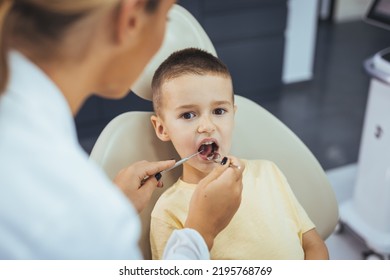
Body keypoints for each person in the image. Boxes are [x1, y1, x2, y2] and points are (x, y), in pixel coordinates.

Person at [0, 0, 244, 259]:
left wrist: (111, 207)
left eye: (219, 111)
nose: (206, 125)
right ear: (131, 20)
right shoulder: (64, 204)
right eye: (166, 18)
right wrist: (200, 233)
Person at [149, 48, 329, 260]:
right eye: (188, 115)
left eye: (219, 111)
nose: (207, 126)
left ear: (233, 114)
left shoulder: (268, 172)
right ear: (162, 129)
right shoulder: (167, 212)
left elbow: (313, 244)